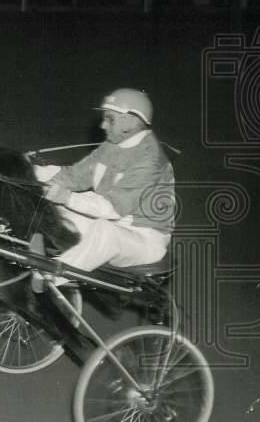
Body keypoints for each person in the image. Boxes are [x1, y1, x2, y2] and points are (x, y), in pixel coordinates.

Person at [32, 88, 175, 284]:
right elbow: (75, 176)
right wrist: (29, 171)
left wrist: (66, 197)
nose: (102, 124)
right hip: (110, 222)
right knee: (56, 210)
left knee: (105, 231)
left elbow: (112, 208)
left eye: (110, 119)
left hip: (144, 239)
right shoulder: (112, 145)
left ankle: (51, 277)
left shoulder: (150, 160)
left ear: (130, 121)